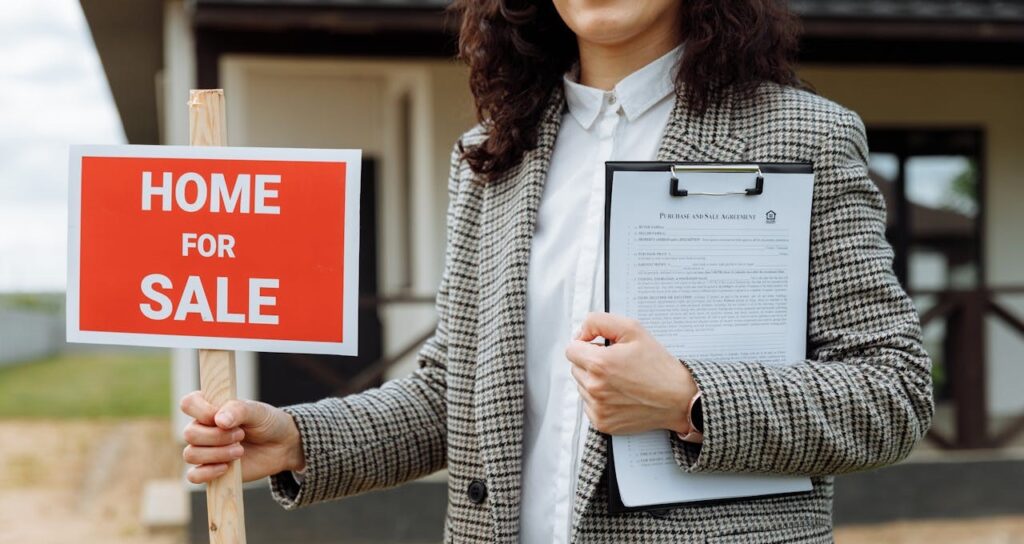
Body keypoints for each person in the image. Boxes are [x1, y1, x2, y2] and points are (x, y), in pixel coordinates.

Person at [179, 0, 934, 541]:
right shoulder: (491, 156)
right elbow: (459, 392)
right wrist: (299, 439)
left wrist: (689, 400)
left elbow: (892, 388)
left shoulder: (803, 135)